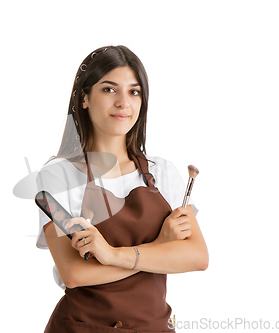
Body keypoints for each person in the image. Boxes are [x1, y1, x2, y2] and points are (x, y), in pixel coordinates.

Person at [36, 45, 208, 332]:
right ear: (85, 98)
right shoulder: (58, 175)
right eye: (109, 90)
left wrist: (113, 255)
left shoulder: (163, 172)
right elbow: (74, 273)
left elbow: (197, 257)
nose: (123, 102)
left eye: (134, 91)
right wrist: (160, 248)